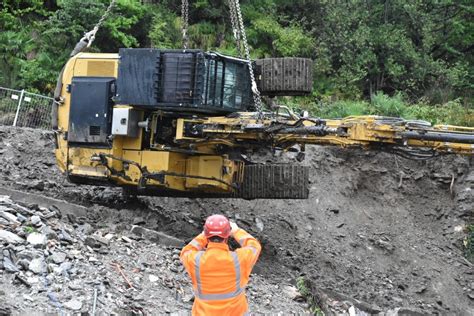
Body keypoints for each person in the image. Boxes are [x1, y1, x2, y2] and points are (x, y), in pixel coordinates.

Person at [180, 214, 262, 315]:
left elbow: (186, 251)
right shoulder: (239, 259)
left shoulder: (196, 260)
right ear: (227, 235)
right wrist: (236, 231)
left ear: (206, 234)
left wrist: (204, 236)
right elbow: (254, 246)